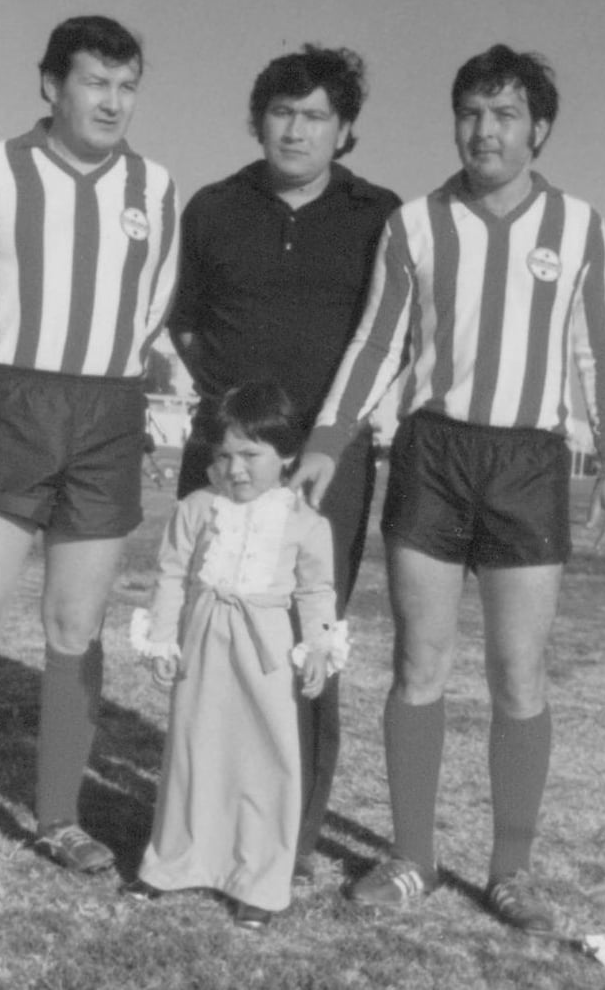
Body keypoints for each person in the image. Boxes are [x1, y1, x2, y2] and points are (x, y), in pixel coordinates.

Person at [291, 44, 605, 933]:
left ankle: (511, 869)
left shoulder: (582, 226)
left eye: (506, 114)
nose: (486, 130)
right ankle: (412, 858)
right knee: (419, 662)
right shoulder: (415, 224)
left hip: (528, 462)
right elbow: (378, 343)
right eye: (473, 112)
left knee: (519, 670)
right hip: (433, 455)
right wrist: (330, 439)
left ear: (540, 129)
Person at [0, 15, 180, 881]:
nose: (112, 100)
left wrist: (111, 376)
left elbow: (157, 300)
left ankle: (58, 815)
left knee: (76, 621)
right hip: (12, 401)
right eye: (96, 81)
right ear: (52, 86)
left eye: (127, 84)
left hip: (107, 412)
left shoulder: (156, 185)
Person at [168, 45, 400, 879]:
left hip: (326, 468)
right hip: (223, 459)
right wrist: (239, 428)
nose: (295, 129)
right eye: (281, 112)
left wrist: (322, 439)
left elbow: (393, 337)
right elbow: (185, 324)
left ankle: (289, 835)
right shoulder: (214, 208)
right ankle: (203, 817)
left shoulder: (382, 216)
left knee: (304, 639)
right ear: (258, 120)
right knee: (213, 631)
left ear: (345, 132)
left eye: (314, 116)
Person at [126, 382, 348, 930]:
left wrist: (319, 646)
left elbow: (317, 592)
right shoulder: (197, 508)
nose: (236, 469)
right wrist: (163, 638)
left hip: (266, 649)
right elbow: (173, 574)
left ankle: (260, 881)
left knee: (267, 760)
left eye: (252, 455)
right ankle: (173, 862)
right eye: (223, 456)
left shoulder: (305, 521)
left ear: (287, 456)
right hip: (203, 641)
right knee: (192, 750)